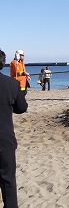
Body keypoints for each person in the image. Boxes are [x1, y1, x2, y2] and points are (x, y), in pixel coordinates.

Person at [0, 49, 28, 208]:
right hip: (5, 141)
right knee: (8, 181)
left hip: (5, 141)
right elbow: (22, 107)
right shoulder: (12, 84)